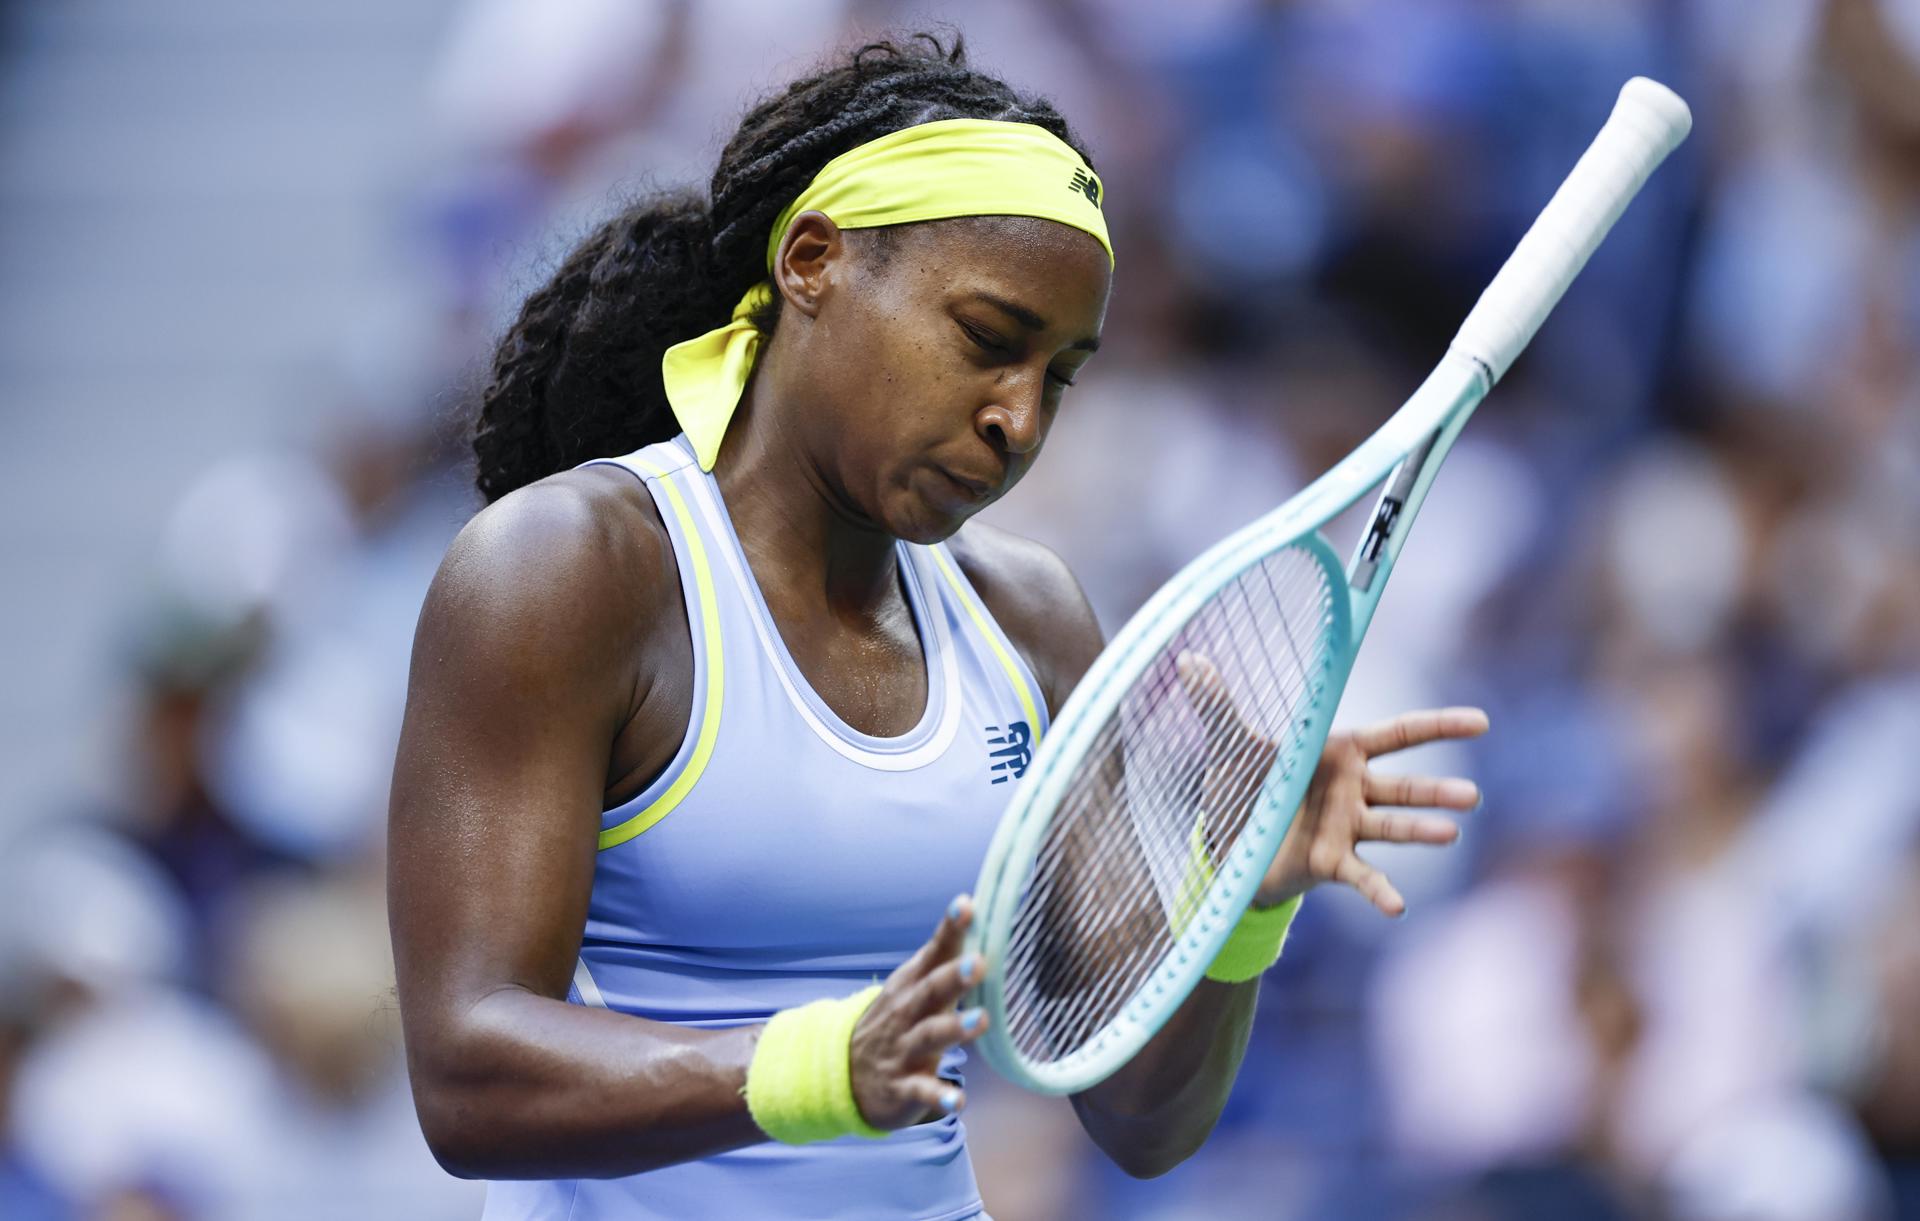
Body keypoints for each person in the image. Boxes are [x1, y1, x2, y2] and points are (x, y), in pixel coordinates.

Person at [388, 33, 1486, 1220]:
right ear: (813, 263)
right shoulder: (566, 572)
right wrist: (816, 1069)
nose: (1019, 418)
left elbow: (1139, 1119)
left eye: (1060, 375)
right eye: (984, 339)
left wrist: (1236, 909)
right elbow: (467, 1074)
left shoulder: (1033, 618)